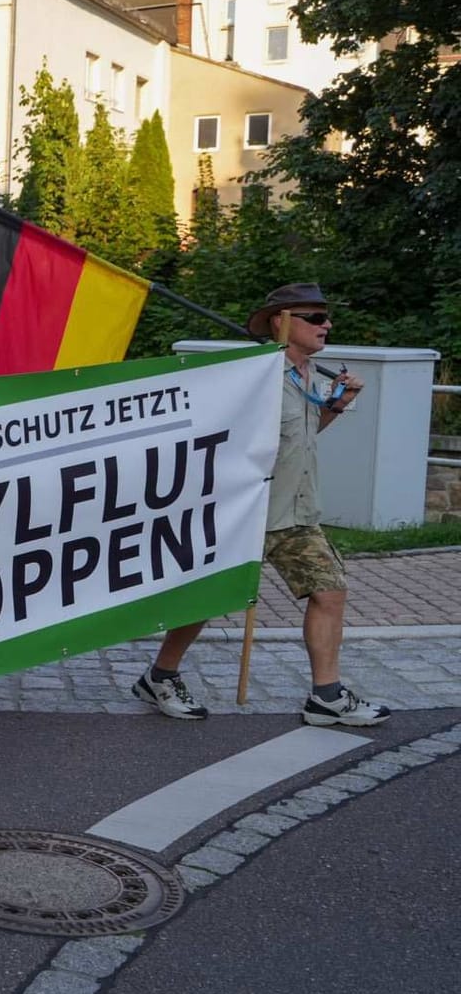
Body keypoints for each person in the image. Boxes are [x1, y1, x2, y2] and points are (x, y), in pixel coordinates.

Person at [134, 284, 388, 727]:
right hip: (244, 512)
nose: (326, 325)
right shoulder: (253, 376)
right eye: (315, 318)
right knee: (206, 600)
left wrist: (339, 405)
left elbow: (300, 435)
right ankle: (160, 676)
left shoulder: (308, 374)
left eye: (327, 317)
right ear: (282, 321)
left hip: (296, 512)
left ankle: (325, 696)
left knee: (330, 591)